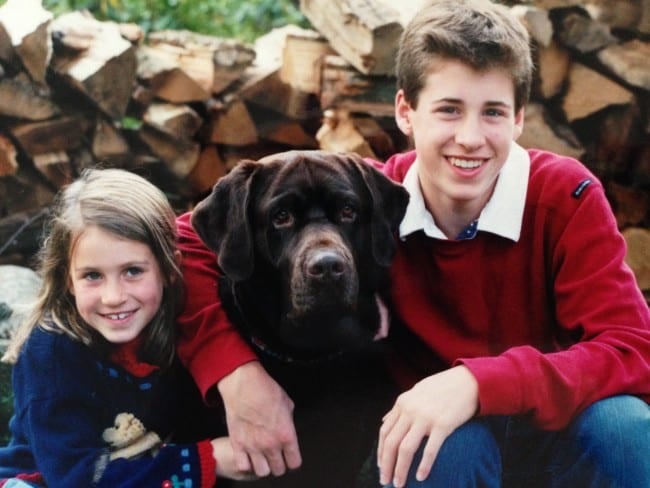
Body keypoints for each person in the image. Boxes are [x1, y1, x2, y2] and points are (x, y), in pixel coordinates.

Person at [174, 0, 650, 486]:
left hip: (560, 436)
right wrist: (236, 375)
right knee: (439, 445)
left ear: (519, 118)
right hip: (452, 443)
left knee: (624, 425)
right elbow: (183, 243)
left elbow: (635, 347)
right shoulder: (373, 200)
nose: (470, 137)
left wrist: (477, 382)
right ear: (405, 111)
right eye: (448, 110)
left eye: (493, 112)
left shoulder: (564, 196)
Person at [0, 168, 252, 487]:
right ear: (68, 279)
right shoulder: (50, 353)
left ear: (170, 269)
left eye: (132, 271)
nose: (114, 297)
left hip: (141, 468)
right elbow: (75, 478)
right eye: (92, 275)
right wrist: (208, 459)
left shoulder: (176, 326)